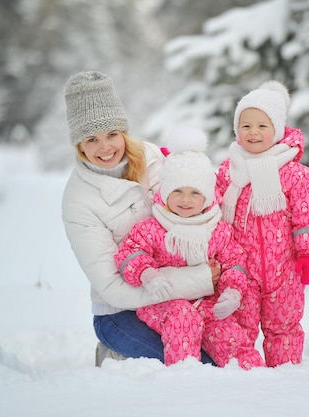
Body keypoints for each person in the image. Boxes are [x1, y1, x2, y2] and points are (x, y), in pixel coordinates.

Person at [61, 71, 218, 367]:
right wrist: (199, 279)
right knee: (199, 366)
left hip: (181, 299)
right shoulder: (79, 201)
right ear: (79, 145)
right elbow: (111, 287)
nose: (105, 147)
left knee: (227, 354)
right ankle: (114, 350)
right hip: (121, 312)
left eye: (111, 134)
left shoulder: (153, 157)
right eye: (92, 139)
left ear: (123, 131)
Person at [114, 127, 265, 370]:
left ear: (207, 196)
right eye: (177, 192)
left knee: (229, 335)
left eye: (195, 193)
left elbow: (234, 262)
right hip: (163, 305)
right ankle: (184, 379)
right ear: (165, 192)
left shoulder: (217, 230)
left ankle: (255, 382)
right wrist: (147, 273)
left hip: (207, 305)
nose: (185, 200)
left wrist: (232, 292)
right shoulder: (153, 228)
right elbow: (130, 253)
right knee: (183, 318)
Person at [216, 81, 309, 367]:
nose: (253, 133)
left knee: (284, 329)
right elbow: (208, 201)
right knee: (240, 329)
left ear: (276, 129)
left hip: (285, 270)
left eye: (262, 126)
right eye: (246, 126)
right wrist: (183, 170)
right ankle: (246, 382)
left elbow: (308, 215)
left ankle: (285, 381)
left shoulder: (295, 174)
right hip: (242, 271)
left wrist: (308, 254)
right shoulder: (228, 171)